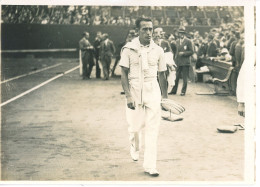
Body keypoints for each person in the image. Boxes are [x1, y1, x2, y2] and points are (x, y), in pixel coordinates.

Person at [119, 17, 168, 177]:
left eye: (150, 29)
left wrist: (165, 98)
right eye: (145, 29)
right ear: (137, 31)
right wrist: (128, 96)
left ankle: (150, 166)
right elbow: (123, 74)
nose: (148, 32)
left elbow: (162, 75)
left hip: (153, 89)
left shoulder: (159, 50)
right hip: (134, 89)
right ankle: (134, 143)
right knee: (135, 127)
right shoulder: (128, 49)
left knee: (152, 129)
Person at [169, 26, 193, 96]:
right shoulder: (176, 41)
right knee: (176, 77)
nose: (181, 34)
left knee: (184, 78)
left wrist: (184, 53)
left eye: (182, 33)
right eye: (179, 33)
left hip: (185, 62)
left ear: (184, 34)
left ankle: (183, 91)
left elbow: (191, 51)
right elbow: (175, 52)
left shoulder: (188, 41)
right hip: (178, 62)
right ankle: (174, 91)